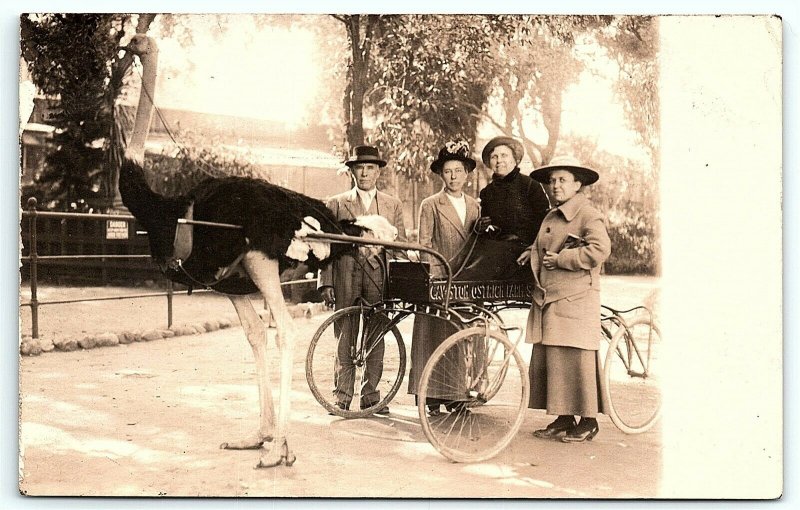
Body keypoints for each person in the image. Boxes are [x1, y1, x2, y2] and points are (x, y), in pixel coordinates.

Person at [516, 155, 611, 442]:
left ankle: (589, 421)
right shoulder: (552, 214)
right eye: (553, 180)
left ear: (577, 184)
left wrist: (564, 259)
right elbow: (544, 243)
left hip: (575, 298)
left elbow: (599, 250)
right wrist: (531, 252)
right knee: (554, 356)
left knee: (576, 356)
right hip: (552, 296)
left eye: (562, 180)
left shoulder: (587, 214)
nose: (555, 186)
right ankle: (564, 416)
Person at [318, 145, 406, 415]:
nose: (365, 173)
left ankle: (372, 396)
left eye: (370, 168)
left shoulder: (392, 204)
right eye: (359, 168)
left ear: (379, 171)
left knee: (377, 333)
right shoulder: (336, 203)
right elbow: (327, 246)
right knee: (345, 333)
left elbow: (401, 244)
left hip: (379, 274)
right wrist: (327, 282)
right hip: (345, 271)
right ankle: (342, 396)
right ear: (351, 171)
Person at [408, 141, 480, 416]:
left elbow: (475, 244)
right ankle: (428, 396)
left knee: (459, 336)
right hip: (438, 280)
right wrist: (432, 277)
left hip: (464, 281)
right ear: (441, 175)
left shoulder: (474, 207)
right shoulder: (431, 205)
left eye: (458, 171)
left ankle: (455, 395)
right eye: (448, 171)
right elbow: (424, 245)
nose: (453, 176)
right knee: (431, 335)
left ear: (466, 174)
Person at [477, 136, 550, 246]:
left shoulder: (530, 185)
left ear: (515, 160)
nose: (499, 161)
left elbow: (545, 223)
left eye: (504, 155)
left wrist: (529, 247)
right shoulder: (487, 192)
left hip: (527, 249)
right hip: (496, 249)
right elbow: (486, 228)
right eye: (494, 157)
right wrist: (481, 227)